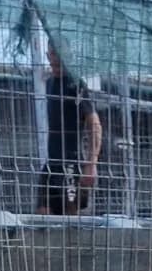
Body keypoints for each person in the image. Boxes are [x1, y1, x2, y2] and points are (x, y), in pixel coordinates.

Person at [36, 42, 102, 216]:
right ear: (47, 55)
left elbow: (94, 123)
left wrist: (91, 164)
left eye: (59, 54)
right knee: (42, 215)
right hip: (52, 163)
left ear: (69, 55)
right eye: (52, 54)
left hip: (72, 164)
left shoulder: (76, 85)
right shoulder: (50, 83)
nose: (55, 59)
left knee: (70, 218)